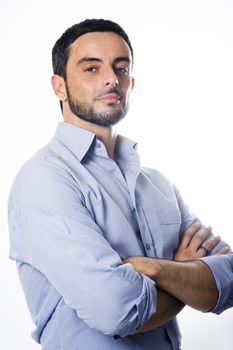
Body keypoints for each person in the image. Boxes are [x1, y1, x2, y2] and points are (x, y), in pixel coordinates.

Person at [8, 19, 233, 350]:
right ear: (59, 87)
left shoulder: (158, 184)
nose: (112, 78)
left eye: (121, 67)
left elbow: (227, 281)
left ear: (131, 82)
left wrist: (151, 268)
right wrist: (185, 274)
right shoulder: (43, 180)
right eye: (91, 68)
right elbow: (116, 311)